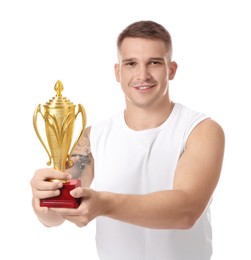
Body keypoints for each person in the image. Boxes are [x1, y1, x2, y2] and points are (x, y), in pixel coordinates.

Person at [30, 20, 225, 260]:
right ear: (118, 72)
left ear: (171, 70)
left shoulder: (200, 130)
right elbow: (54, 215)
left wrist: (104, 203)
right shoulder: (92, 138)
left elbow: (186, 211)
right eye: (131, 63)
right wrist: (43, 196)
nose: (142, 75)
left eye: (154, 62)